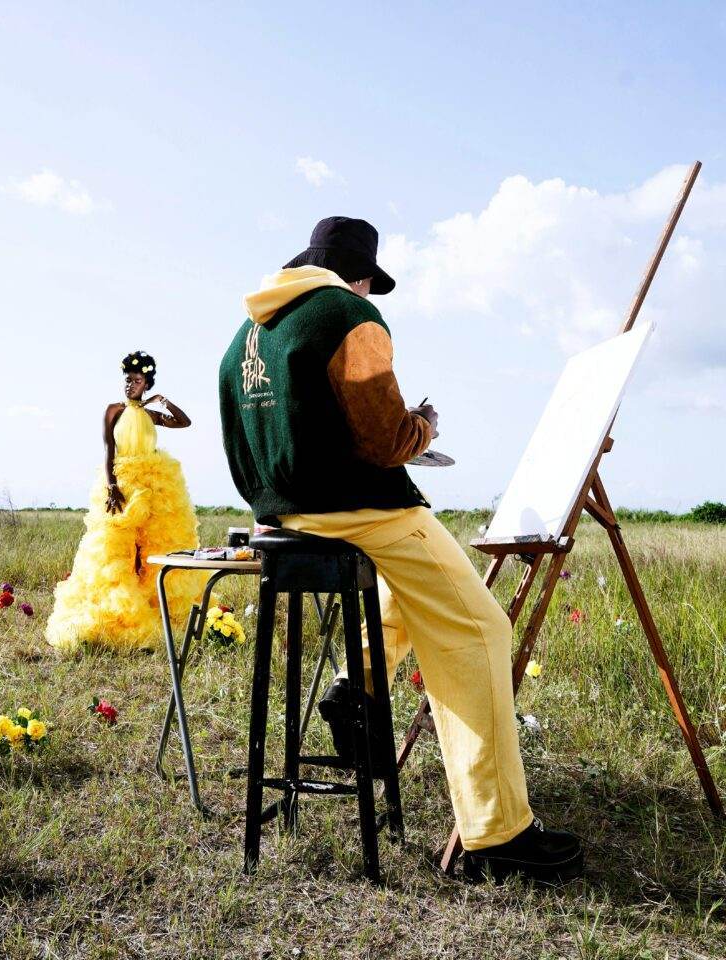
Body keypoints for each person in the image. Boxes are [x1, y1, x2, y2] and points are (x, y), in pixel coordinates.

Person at [218, 217, 583, 884]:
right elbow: (385, 442)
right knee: (478, 629)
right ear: (359, 275)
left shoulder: (247, 332)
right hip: (359, 511)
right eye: (369, 282)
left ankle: (353, 685)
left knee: (413, 598)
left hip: (284, 517)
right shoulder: (349, 313)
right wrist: (424, 428)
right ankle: (498, 833)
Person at [46, 351, 204, 652]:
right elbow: (108, 451)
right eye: (127, 380)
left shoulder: (150, 415)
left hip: (155, 484)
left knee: (154, 544)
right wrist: (112, 486)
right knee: (117, 546)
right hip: (123, 482)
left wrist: (163, 402)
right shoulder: (114, 410)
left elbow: (184, 423)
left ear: (146, 383)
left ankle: (152, 604)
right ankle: (118, 610)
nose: (129, 385)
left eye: (136, 380)